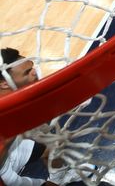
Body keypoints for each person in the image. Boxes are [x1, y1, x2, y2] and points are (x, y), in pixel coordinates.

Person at [0, 48, 83, 185]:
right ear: (4, 83)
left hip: (12, 149)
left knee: (55, 144)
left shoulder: (15, 95)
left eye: (31, 67)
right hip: (3, 174)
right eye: (27, 72)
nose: (35, 72)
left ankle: (59, 178)